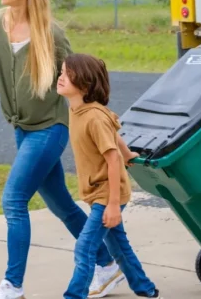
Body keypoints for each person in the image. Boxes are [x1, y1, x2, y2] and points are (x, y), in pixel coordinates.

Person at [0, 0, 125, 299]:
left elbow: (84, 78)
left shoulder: (51, 33)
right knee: (62, 205)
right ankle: (107, 264)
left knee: (14, 200)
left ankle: (13, 285)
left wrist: (100, 125)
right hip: (22, 129)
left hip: (50, 128)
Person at [56, 53, 163, 299]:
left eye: (66, 74)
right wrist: (127, 154)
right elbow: (114, 138)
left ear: (84, 84)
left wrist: (113, 204)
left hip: (107, 194)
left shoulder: (94, 117)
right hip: (97, 192)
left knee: (85, 248)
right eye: (61, 72)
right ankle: (146, 290)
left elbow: (111, 158)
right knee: (118, 246)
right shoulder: (77, 109)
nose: (60, 78)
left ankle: (73, 295)